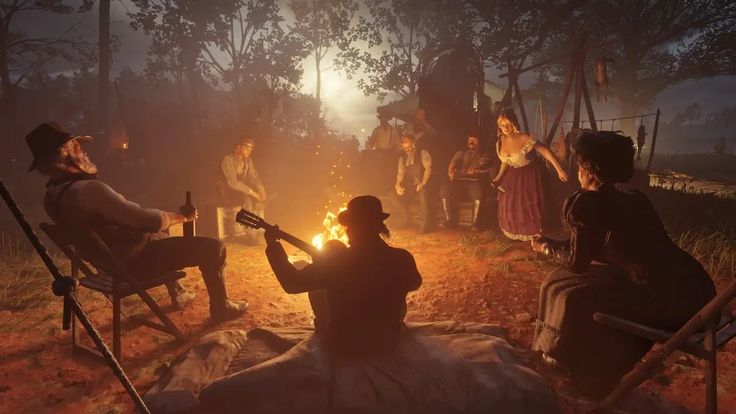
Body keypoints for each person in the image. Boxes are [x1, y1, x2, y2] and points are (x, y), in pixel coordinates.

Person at [530, 130, 716, 397]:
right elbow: (592, 248)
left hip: (667, 298)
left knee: (571, 295)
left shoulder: (589, 203)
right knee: (564, 285)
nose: (578, 173)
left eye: (580, 167)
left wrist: (545, 247)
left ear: (590, 171)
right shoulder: (633, 198)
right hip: (694, 288)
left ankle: (587, 376)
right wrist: (553, 242)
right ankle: (578, 369)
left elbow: (577, 261)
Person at [27, 122, 247, 322]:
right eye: (76, 147)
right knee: (214, 248)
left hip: (108, 265)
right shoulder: (90, 191)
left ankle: (178, 292)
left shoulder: (52, 197)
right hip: (135, 265)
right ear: (64, 155)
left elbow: (120, 223)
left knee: (161, 233)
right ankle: (222, 307)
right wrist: (182, 218)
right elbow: (148, 220)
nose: (83, 151)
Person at [265, 195, 422, 358]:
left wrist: (273, 245)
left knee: (318, 290)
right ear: (379, 226)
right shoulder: (402, 258)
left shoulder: (337, 261)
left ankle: (322, 331)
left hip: (344, 345)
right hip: (386, 343)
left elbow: (292, 284)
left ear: (351, 228)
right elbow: (414, 283)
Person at [492, 109, 568, 241]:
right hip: (512, 177)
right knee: (512, 204)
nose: (506, 128)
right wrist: (498, 178)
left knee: (531, 205)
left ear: (514, 123)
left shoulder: (524, 138)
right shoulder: (501, 141)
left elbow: (544, 151)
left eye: (508, 124)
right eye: (503, 125)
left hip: (530, 176)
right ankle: (519, 234)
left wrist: (559, 169)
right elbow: (506, 162)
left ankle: (538, 237)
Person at [216, 137, 267, 244]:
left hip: (240, 192)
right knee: (248, 198)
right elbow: (232, 183)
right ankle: (250, 235)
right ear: (238, 147)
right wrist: (253, 193)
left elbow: (254, 177)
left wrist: (261, 190)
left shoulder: (248, 161)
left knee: (256, 198)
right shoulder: (227, 160)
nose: (249, 151)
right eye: (246, 148)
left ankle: (257, 228)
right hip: (226, 193)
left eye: (251, 149)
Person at [439, 133, 491, 229]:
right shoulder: (461, 153)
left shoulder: (484, 155)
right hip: (460, 183)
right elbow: (453, 162)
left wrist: (476, 170)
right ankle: (449, 220)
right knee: (445, 189)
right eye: (469, 140)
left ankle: (476, 222)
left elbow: (485, 167)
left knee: (477, 191)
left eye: (474, 140)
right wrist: (451, 170)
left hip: (474, 182)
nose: (471, 141)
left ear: (479, 142)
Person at [391, 134, 433, 233]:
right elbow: (400, 173)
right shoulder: (402, 157)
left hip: (422, 184)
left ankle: (424, 224)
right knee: (392, 194)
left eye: (409, 147)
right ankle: (405, 218)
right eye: (405, 148)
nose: (407, 150)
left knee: (423, 195)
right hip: (410, 186)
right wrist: (397, 185)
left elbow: (428, 168)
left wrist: (423, 182)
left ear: (414, 144)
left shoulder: (422, 152)